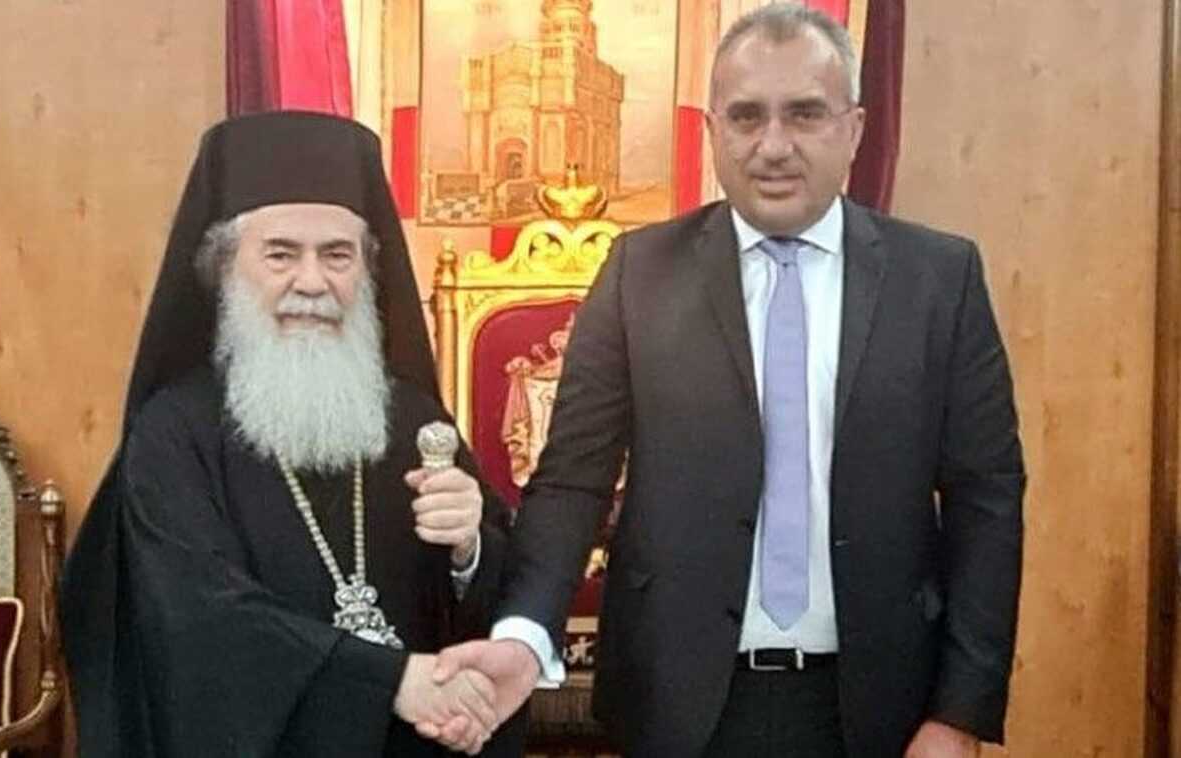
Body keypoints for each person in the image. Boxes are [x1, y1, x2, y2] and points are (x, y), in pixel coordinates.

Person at [426, 4, 1026, 757]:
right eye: (746, 117)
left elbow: (986, 497)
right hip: (678, 705)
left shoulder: (939, 279)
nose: (773, 146)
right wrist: (522, 635)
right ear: (713, 132)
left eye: (804, 113)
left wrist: (961, 712)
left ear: (854, 129)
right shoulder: (639, 274)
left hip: (885, 708)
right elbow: (573, 481)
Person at [60, 111, 524, 757]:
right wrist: (387, 680)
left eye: (337, 255)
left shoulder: (415, 419)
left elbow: (497, 591)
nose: (312, 282)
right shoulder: (174, 430)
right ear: (224, 268)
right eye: (280, 254)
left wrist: (470, 550)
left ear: (367, 272)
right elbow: (197, 619)